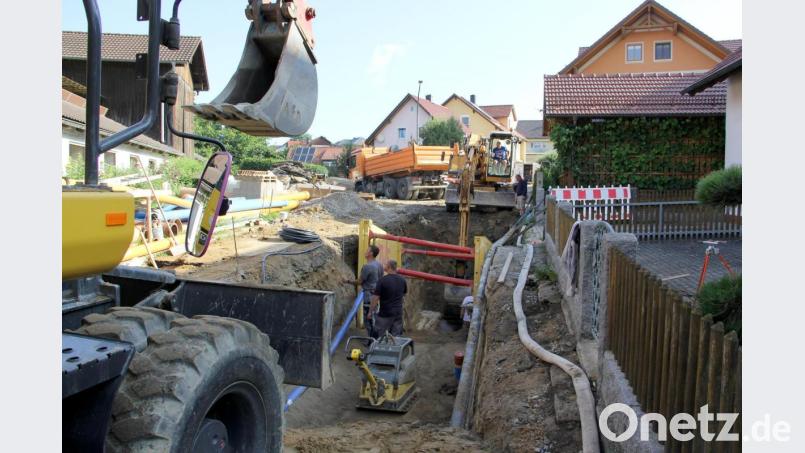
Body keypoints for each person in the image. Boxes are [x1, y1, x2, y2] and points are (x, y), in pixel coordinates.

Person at [345, 245, 383, 337]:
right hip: (376, 295)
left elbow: (360, 281)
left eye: (367, 250)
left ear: (371, 253)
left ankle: (372, 341)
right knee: (374, 317)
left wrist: (348, 281)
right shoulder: (379, 265)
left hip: (368, 295)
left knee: (368, 319)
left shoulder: (368, 266)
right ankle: (376, 339)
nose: (365, 251)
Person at [369, 259, 407, 337]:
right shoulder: (402, 280)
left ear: (389, 267)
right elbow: (403, 294)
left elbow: (375, 298)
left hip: (385, 314)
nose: (384, 266)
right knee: (396, 337)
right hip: (398, 313)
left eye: (385, 264)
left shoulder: (382, 281)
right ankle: (394, 349)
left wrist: (370, 312)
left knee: (379, 336)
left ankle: (379, 348)